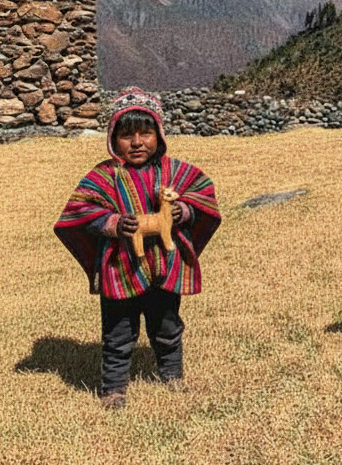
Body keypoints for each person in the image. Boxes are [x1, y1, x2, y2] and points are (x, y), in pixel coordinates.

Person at [54, 87, 221, 409]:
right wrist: (113, 223)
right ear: (112, 139)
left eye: (146, 133)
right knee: (118, 332)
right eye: (126, 135)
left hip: (165, 265)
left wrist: (184, 211)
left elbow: (203, 194)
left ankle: (171, 375)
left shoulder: (175, 172)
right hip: (120, 268)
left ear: (159, 135)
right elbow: (80, 209)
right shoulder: (104, 176)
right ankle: (114, 389)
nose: (137, 142)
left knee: (167, 325)